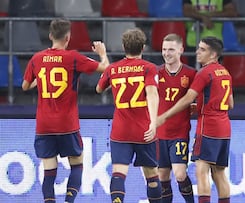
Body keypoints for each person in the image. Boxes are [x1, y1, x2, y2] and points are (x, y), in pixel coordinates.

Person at [22, 18, 109, 203]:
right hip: (66, 124)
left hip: (44, 125)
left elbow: (25, 86)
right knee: (77, 164)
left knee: (49, 171)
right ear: (68, 38)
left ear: (50, 36)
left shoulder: (37, 58)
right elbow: (106, 70)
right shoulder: (73, 58)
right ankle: (69, 201)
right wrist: (102, 53)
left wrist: (42, 78)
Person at [158, 36, 234, 203]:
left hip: (209, 128)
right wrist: (202, 104)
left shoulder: (203, 73)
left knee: (201, 172)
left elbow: (187, 98)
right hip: (225, 128)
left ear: (213, 54)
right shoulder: (225, 72)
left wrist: (164, 116)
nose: (197, 52)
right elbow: (230, 104)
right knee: (219, 173)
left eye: (202, 49)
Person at [96, 28, 161, 203]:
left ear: (123, 46)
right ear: (143, 47)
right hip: (143, 130)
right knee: (152, 175)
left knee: (118, 173)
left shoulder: (113, 69)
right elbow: (152, 94)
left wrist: (103, 55)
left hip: (120, 131)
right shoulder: (149, 68)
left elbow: (99, 88)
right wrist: (153, 123)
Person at [157, 33, 197, 203]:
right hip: (158, 134)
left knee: (180, 174)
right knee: (162, 176)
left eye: (171, 49)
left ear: (181, 50)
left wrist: (196, 106)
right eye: (164, 49)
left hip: (179, 132)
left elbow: (198, 98)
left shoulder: (191, 74)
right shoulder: (155, 73)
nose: (167, 53)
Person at [182, 0, 237, 67]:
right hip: (193, 43)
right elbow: (187, 12)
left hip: (214, 44)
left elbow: (232, 12)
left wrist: (211, 16)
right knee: (195, 74)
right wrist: (203, 17)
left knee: (213, 74)